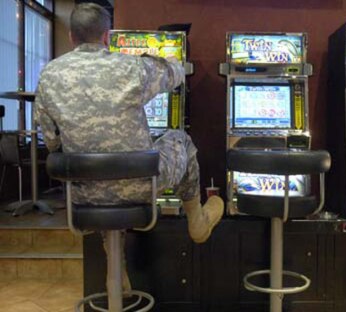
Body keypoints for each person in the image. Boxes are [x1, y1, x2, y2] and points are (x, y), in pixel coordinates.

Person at [34, 3, 223, 291]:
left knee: (98, 175)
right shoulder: (131, 67)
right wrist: (157, 56)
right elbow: (177, 72)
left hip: (84, 194)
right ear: (107, 36)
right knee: (180, 139)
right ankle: (197, 221)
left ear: (71, 37)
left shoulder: (49, 75)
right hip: (142, 185)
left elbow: (49, 139)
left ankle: (115, 261)